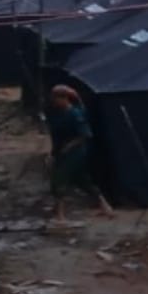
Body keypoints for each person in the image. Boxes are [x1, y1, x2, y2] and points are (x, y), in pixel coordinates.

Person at [45, 85, 114, 223]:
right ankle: (105, 207)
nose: (54, 102)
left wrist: (69, 146)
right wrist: (53, 153)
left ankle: (60, 215)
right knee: (82, 180)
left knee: (60, 180)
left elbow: (85, 134)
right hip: (61, 152)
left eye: (56, 98)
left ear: (64, 98)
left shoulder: (75, 113)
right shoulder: (58, 113)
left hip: (75, 152)